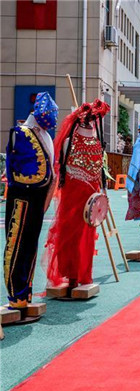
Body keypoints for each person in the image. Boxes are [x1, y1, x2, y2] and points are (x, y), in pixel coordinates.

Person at [45, 100, 109, 289]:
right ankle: (71, 273)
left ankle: (79, 273)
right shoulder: (70, 142)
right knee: (71, 234)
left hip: (90, 196)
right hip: (74, 196)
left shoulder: (95, 143)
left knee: (84, 234)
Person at [4, 92, 57, 310]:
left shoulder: (43, 134)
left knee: (30, 245)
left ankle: (25, 292)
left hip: (37, 198)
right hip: (23, 197)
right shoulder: (21, 132)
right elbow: (22, 171)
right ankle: (16, 294)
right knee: (17, 244)